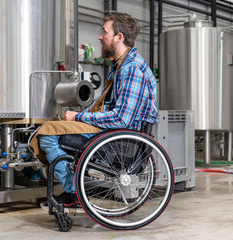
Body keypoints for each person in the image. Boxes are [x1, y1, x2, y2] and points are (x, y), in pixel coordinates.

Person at [34, 12, 158, 207]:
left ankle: (74, 192)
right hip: (115, 135)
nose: (100, 37)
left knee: (49, 136)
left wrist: (79, 117)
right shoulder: (121, 66)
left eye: (105, 32)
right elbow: (110, 106)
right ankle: (74, 189)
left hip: (121, 142)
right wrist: (80, 116)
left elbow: (122, 119)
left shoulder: (131, 69)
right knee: (55, 129)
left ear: (119, 37)